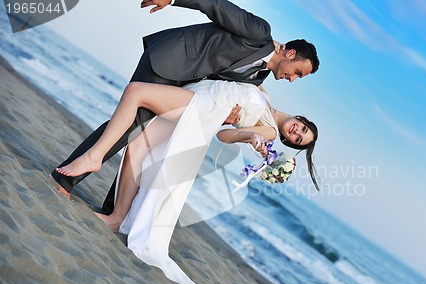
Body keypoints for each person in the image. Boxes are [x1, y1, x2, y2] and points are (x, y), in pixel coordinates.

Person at [55, 78, 319, 284]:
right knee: (137, 146)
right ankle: (117, 217)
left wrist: (250, 136)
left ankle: (114, 210)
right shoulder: (267, 98)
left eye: (297, 140)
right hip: (203, 97)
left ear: (286, 142)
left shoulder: (269, 131)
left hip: (201, 114)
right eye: (303, 130)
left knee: (137, 108)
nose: (296, 133)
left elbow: (224, 135)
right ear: (302, 119)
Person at [51, 0, 320, 215]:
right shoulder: (260, 32)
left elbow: (221, 87)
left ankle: (112, 208)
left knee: (140, 134)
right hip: (170, 58)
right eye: (297, 72)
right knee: (133, 125)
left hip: (184, 85)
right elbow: (216, 6)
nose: (293, 79)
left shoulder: (258, 77)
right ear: (290, 53)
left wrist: (229, 116)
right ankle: (68, 180)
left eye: (298, 78)